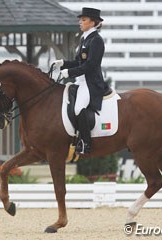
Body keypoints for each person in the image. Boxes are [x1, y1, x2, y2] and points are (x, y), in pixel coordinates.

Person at [53, 7, 109, 154]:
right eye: (81, 19)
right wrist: (63, 63)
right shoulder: (84, 39)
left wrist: (69, 73)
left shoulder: (96, 40)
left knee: (78, 108)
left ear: (93, 22)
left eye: (83, 20)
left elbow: (90, 65)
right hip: (80, 81)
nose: (80, 22)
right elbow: (79, 62)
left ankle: (86, 143)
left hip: (90, 84)